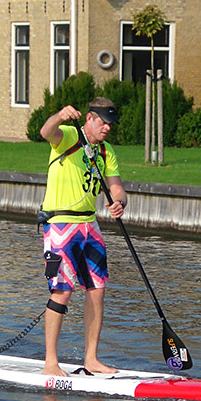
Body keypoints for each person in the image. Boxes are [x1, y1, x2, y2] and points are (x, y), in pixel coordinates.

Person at [39, 98, 128, 377]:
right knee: (63, 291)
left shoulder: (106, 151)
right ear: (89, 118)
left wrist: (119, 203)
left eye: (110, 124)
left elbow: (117, 188)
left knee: (97, 291)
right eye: (103, 123)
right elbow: (45, 132)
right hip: (60, 225)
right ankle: (50, 363)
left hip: (90, 226)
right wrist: (60, 116)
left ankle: (91, 359)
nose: (107, 129)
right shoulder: (68, 136)